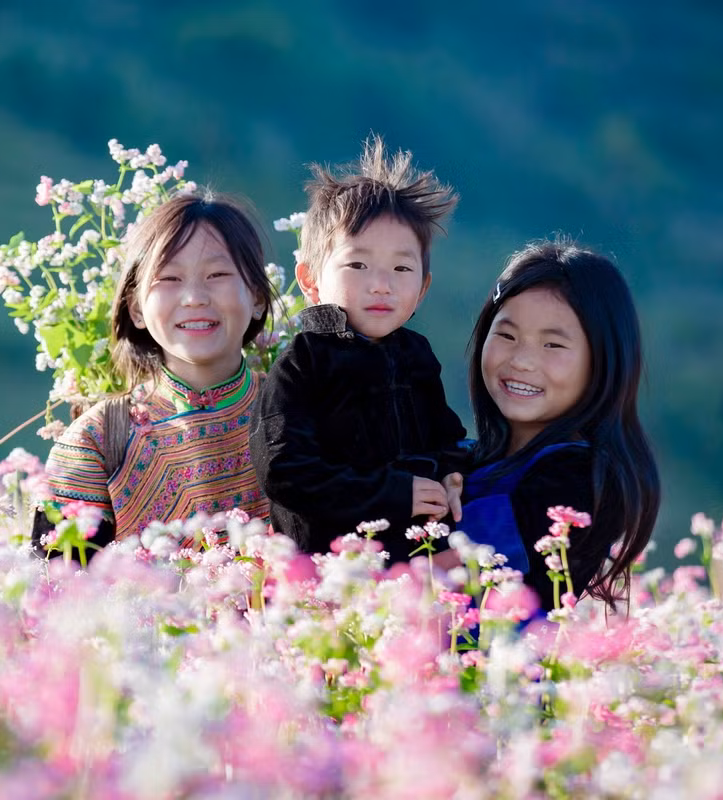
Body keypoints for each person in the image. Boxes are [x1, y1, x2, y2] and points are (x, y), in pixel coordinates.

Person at [249, 136, 468, 563]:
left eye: (402, 268)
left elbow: (447, 438)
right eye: (357, 265)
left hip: (415, 561)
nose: (381, 284)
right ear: (310, 280)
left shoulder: (416, 356)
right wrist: (392, 494)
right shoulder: (304, 364)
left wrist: (453, 474)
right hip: (328, 569)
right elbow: (284, 470)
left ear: (422, 288)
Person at [32, 191, 277, 557]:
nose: (194, 297)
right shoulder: (95, 442)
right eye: (169, 279)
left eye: (217, 274)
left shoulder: (299, 414)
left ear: (257, 297)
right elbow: (58, 589)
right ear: (136, 309)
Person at [456, 239, 660, 611]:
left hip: (492, 668)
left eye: (552, 345)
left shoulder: (580, 480)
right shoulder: (465, 456)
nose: (522, 361)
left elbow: (446, 568)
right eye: (506, 335)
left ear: (603, 360)